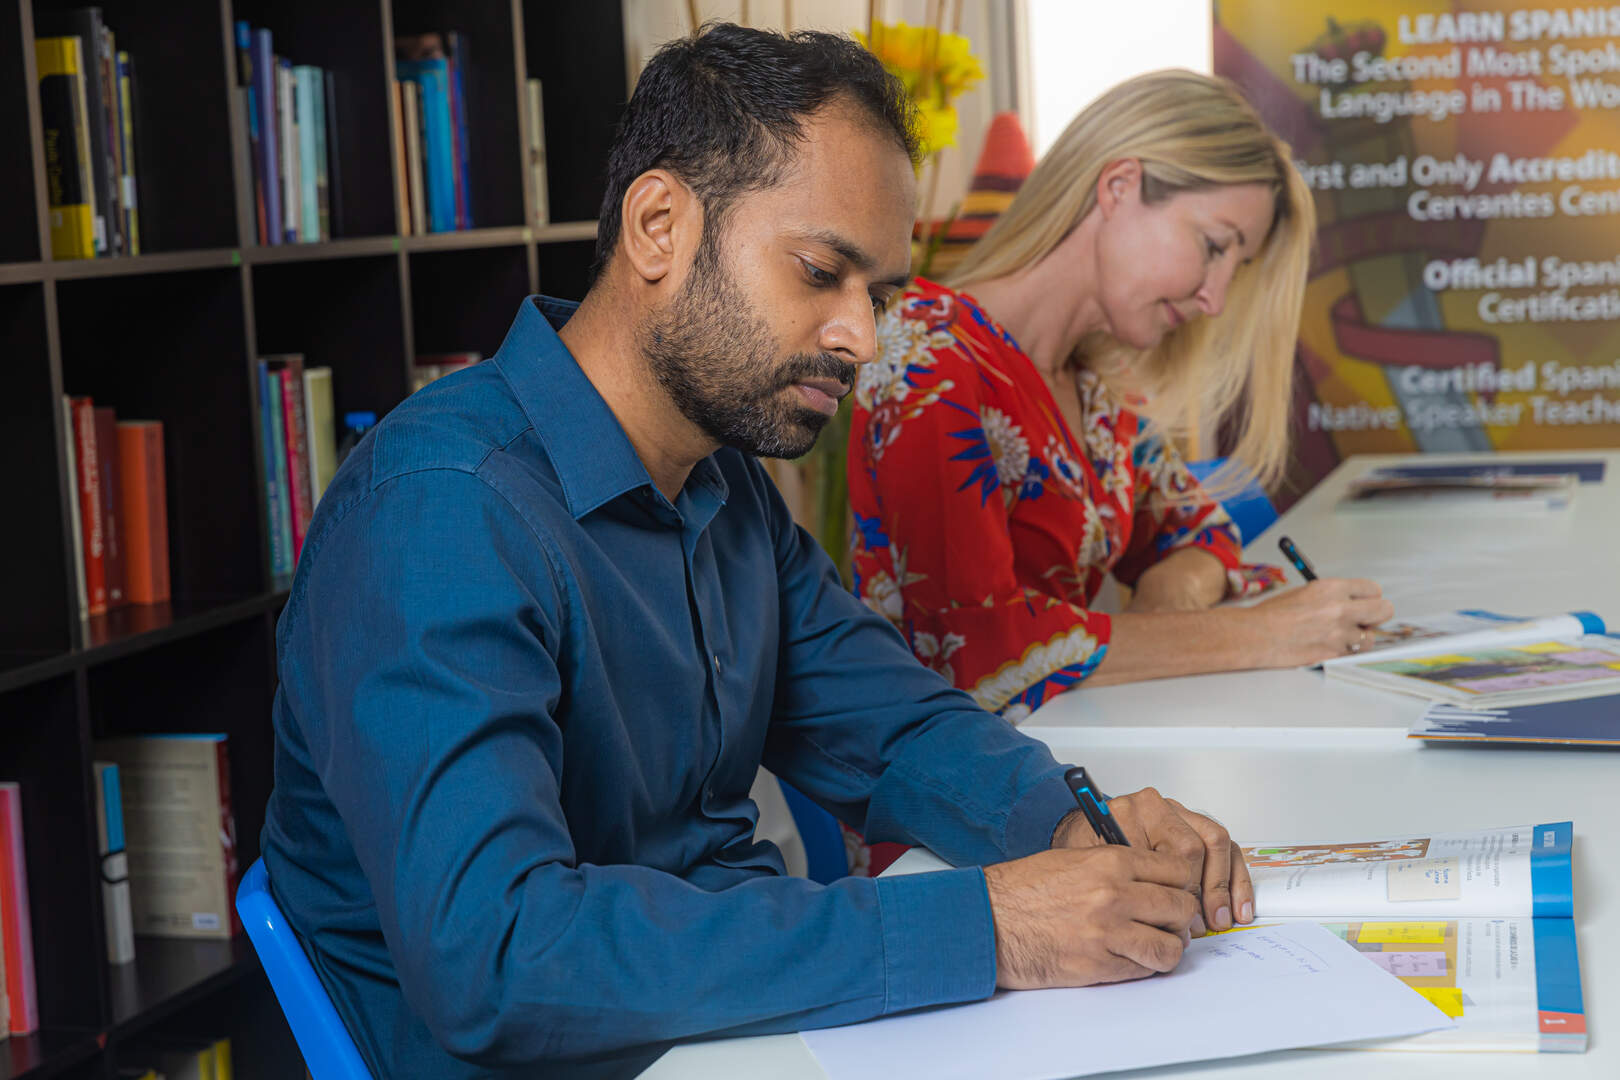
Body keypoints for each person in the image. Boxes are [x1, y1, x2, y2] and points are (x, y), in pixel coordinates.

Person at [262, 27, 1255, 1079]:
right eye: (822, 272)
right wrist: (988, 927)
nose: (862, 340)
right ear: (659, 227)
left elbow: (891, 726)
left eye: (874, 297)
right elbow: (502, 956)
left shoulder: (721, 480)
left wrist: (1069, 827)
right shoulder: (437, 513)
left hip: (734, 1035)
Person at [848, 69, 1394, 721]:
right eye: (1213, 246)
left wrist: (1167, 610)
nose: (1214, 299)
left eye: (1233, 267)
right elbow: (979, 654)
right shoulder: (929, 355)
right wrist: (1261, 634)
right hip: (954, 803)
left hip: (1074, 762)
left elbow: (1200, 533)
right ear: (1119, 186)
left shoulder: (1097, 382)